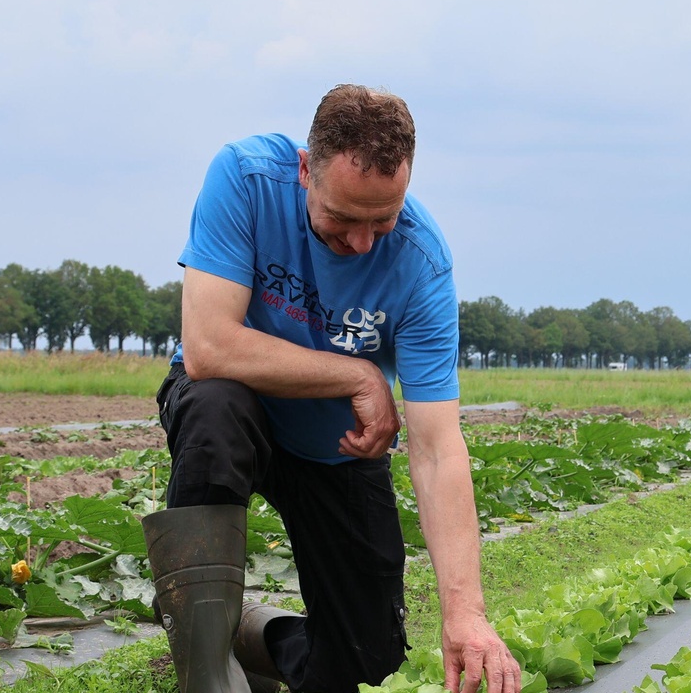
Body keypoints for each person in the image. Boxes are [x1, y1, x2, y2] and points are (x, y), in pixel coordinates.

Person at [144, 84, 522, 693]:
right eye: (344, 218)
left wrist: (466, 615)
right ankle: (206, 672)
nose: (364, 242)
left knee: (366, 665)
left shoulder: (423, 264)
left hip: (335, 448)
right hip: (235, 415)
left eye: (384, 219)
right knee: (215, 407)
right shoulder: (245, 178)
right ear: (304, 171)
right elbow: (211, 345)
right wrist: (359, 373)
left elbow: (436, 447)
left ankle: (249, 636)